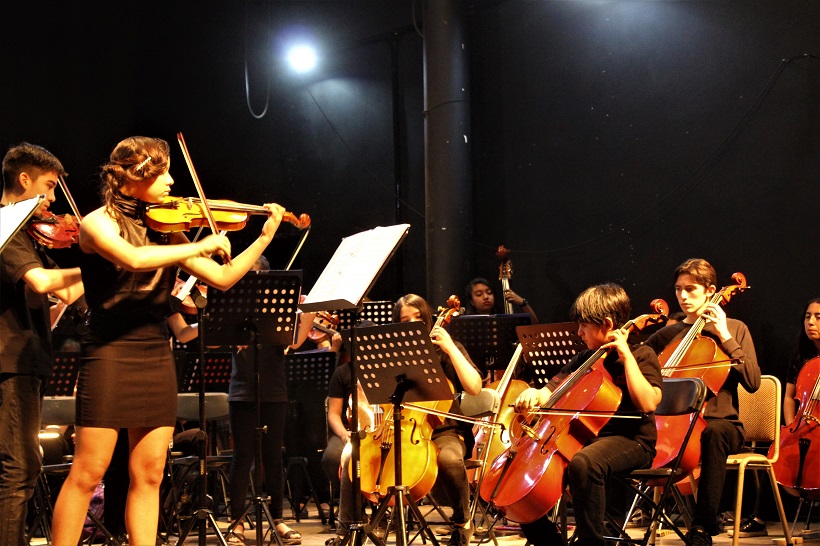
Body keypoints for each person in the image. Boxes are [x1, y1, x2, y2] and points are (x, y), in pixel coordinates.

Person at [49, 136, 285, 546]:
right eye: (163, 173)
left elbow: (222, 277)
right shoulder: (96, 223)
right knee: (88, 472)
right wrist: (201, 245)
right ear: (135, 174)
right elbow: (132, 259)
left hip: (155, 351)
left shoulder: (167, 229)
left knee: (151, 472)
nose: (172, 182)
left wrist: (264, 238)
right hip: (108, 351)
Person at [513, 283, 662, 546]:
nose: (579, 332)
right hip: (587, 440)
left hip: (633, 441)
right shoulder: (584, 359)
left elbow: (649, 403)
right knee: (521, 473)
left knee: (584, 463)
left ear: (607, 324)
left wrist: (626, 357)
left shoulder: (641, 354)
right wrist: (533, 394)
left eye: (583, 325)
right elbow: (550, 390)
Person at [332, 294, 482, 546]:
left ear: (428, 318)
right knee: (354, 455)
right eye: (405, 320)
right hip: (398, 427)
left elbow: (475, 387)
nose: (412, 323)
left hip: (445, 431)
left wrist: (450, 348)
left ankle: (463, 522)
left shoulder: (447, 349)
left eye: (418, 317)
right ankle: (348, 528)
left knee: (449, 459)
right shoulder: (392, 355)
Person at [0, 142, 85, 546]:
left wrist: (109, 263)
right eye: (49, 187)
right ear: (24, 179)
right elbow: (42, 282)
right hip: (10, 363)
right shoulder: (6, 227)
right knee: (19, 468)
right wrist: (98, 262)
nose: (52, 199)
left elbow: (65, 293)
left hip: (26, 361)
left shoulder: (28, 235)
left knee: (22, 467)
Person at [644, 258, 761, 546]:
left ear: (710, 291)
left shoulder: (736, 328)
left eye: (691, 289)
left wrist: (724, 335)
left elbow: (753, 381)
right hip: (674, 424)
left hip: (722, 425)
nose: (683, 296)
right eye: (678, 289)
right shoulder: (666, 335)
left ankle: (702, 527)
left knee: (714, 433)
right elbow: (636, 371)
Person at [226, 254, 316, 546]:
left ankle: (278, 519)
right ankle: (236, 522)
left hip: (274, 390)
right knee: (243, 457)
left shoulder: (277, 309)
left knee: (274, 456)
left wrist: (308, 311)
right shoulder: (234, 307)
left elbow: (295, 341)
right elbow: (216, 340)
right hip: (242, 390)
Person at [730, 296, 820, 538]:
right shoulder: (801, 355)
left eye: (818, 317)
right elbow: (790, 397)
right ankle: (759, 519)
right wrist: (792, 427)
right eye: (807, 317)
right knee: (777, 451)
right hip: (804, 423)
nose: (811, 322)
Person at [464, 277, 538, 323]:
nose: (486, 297)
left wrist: (523, 303)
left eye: (489, 293)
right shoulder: (465, 322)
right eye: (479, 294)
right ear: (471, 301)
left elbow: (534, 325)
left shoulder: (503, 318)